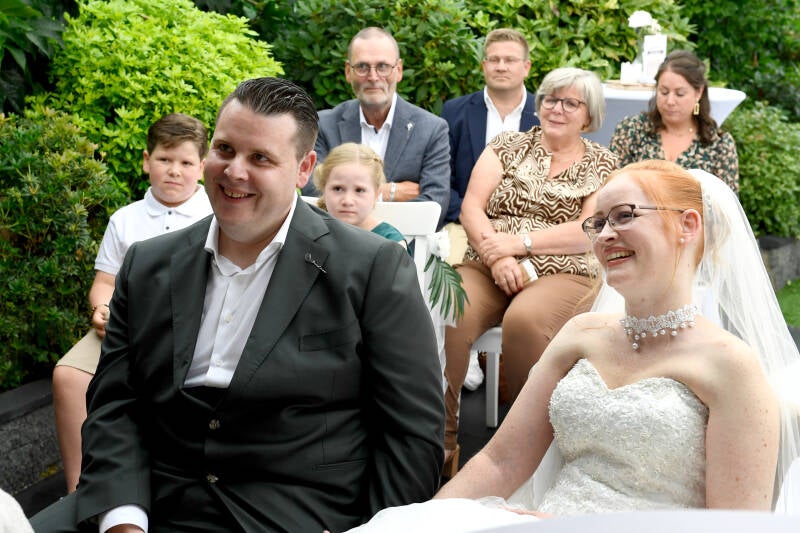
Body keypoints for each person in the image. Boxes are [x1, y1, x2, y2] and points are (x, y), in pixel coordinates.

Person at [31, 77, 444, 532]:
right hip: (151, 496)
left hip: (293, 513)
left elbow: (412, 434)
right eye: (224, 149)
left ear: (304, 169)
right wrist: (123, 521)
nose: (234, 172)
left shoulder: (371, 269)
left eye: (260, 158)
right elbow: (115, 406)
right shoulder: (147, 265)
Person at [346, 160, 800, 531]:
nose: (604, 235)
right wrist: (426, 521)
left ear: (688, 224)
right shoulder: (582, 333)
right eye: (598, 223)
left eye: (625, 216)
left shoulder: (730, 366)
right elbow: (500, 462)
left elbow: (733, 527)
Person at [443, 67, 617, 473]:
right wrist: (498, 257)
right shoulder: (507, 145)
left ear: (588, 115)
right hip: (488, 261)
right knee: (451, 307)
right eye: (551, 100)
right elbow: (472, 207)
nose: (557, 109)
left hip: (563, 270)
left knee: (525, 322)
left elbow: (587, 229)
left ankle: (525, 449)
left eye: (570, 103)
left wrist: (520, 245)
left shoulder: (603, 163)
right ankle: (441, 441)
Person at [51, 112, 213, 494]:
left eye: (186, 162)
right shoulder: (125, 220)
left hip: (191, 332)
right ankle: (79, 492)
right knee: (69, 375)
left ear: (202, 167)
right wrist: (101, 309)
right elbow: (105, 283)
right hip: (127, 327)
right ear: (146, 161)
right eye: (164, 159)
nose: (174, 170)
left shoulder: (214, 216)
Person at [302, 27, 451, 229]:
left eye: (382, 66)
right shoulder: (323, 125)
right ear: (348, 71)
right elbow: (313, 193)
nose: (373, 76)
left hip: (405, 245)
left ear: (399, 70)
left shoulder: (432, 129)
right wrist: (389, 192)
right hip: (336, 244)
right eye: (362, 66)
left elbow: (434, 206)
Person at [440, 28, 540, 263]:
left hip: (528, 229)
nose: (501, 67)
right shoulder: (455, 112)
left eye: (510, 60)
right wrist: (472, 218)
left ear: (526, 67)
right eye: (494, 60)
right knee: (451, 280)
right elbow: (443, 179)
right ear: (484, 66)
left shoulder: (546, 114)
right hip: (464, 225)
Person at [609, 50, 739, 193]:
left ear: (699, 92)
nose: (670, 101)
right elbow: (610, 186)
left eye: (680, 94)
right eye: (664, 92)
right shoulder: (631, 130)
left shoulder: (718, 145)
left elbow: (726, 203)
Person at [312, 142, 406, 249]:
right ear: (324, 189)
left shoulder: (391, 245)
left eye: (359, 190)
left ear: (376, 194)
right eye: (338, 188)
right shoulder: (310, 232)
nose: (347, 201)